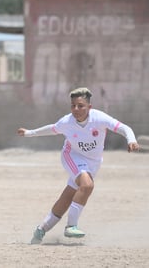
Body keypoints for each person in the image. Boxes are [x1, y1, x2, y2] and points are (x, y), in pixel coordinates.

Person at [17, 87, 140, 244]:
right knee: (87, 185)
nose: (76, 109)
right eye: (73, 105)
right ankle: (71, 226)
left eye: (80, 105)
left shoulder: (99, 118)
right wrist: (29, 133)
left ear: (89, 107)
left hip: (93, 162)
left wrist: (131, 140)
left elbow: (124, 128)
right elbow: (52, 128)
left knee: (68, 196)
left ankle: (41, 229)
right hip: (71, 156)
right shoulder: (67, 122)